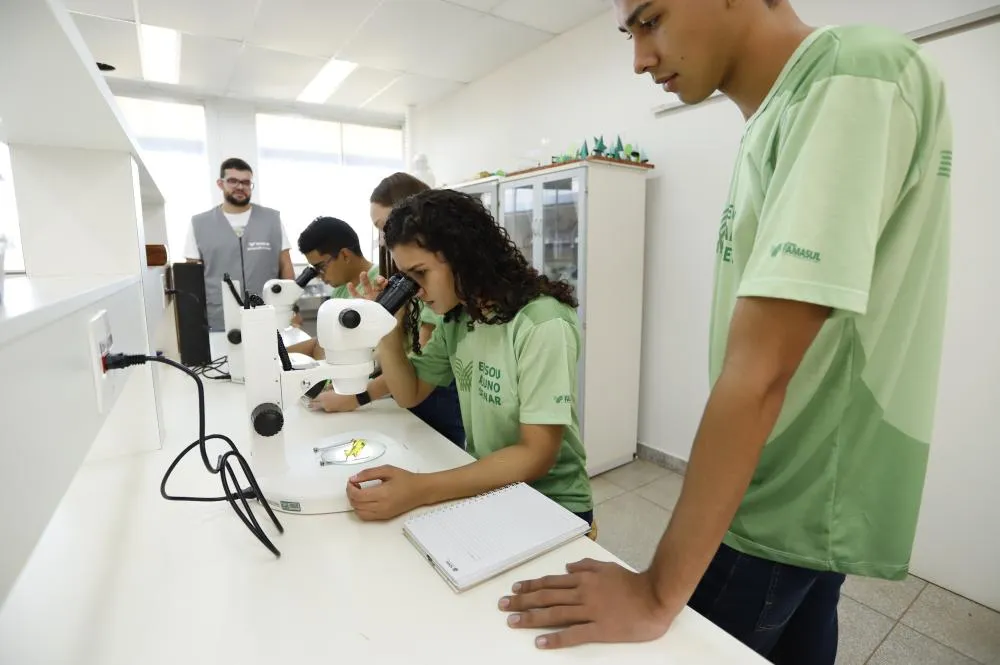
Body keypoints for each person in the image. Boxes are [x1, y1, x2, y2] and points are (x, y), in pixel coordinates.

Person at [497, 1, 953, 662]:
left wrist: (657, 590)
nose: (639, 58)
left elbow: (761, 370)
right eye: (630, 32)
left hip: (780, 492)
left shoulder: (850, 73)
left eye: (652, 19)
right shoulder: (778, 112)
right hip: (797, 484)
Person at [343, 188, 594, 529]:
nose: (415, 290)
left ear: (465, 258)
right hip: (492, 486)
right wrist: (387, 329)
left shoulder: (540, 322)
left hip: (553, 502)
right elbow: (409, 393)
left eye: (421, 273)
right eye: (407, 278)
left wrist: (421, 488)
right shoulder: (460, 318)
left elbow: (536, 455)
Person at [294, 215, 466, 448]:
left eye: (383, 226)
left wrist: (356, 397)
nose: (384, 235)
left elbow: (415, 364)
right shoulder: (450, 321)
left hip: (430, 408)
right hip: (404, 404)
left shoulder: (437, 306)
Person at [186, 157, 293, 331]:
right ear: (220, 184)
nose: (240, 187)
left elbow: (286, 265)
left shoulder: (271, 220)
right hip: (219, 319)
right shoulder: (199, 224)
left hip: (267, 315)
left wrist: (292, 309)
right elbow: (191, 278)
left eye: (245, 182)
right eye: (233, 181)